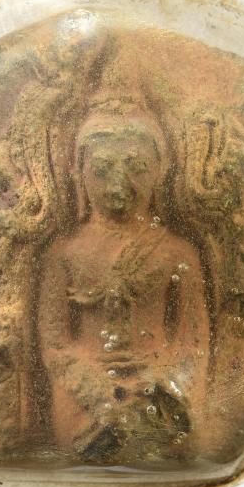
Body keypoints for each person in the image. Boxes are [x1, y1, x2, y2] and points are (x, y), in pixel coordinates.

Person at [39, 108, 210, 466]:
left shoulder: (176, 252)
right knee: (87, 442)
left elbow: (192, 342)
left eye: (136, 167)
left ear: (160, 171)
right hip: (85, 397)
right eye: (102, 169)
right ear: (78, 173)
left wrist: (162, 384)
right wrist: (97, 393)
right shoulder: (65, 253)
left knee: (166, 434)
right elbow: (55, 344)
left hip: (156, 392)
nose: (118, 183)